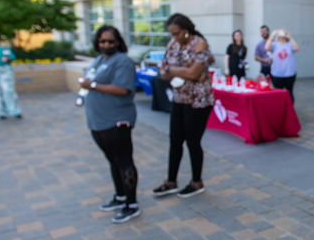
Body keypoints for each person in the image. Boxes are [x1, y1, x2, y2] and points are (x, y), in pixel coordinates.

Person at [81, 26, 141, 224]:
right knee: (113, 160)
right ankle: (120, 196)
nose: (106, 45)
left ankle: (131, 205)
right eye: (102, 41)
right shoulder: (100, 59)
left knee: (124, 161)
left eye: (110, 41)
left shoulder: (122, 62)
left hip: (116, 121)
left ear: (118, 42)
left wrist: (94, 86)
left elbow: (123, 89)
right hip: (99, 121)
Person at [152, 13, 215, 198]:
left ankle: (197, 182)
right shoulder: (173, 44)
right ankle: (171, 181)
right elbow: (163, 72)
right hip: (179, 98)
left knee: (192, 141)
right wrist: (176, 71)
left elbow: (193, 74)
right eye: (171, 34)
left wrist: (171, 70)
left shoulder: (199, 43)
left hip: (198, 100)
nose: (174, 37)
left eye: (177, 33)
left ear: (186, 31)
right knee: (175, 140)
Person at [265, 27, 299, 102]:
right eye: (280, 33)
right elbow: (267, 47)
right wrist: (272, 35)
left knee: (289, 92)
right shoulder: (274, 44)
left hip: (289, 74)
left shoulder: (290, 44)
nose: (282, 34)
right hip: (277, 74)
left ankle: (290, 110)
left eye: (283, 32)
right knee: (278, 93)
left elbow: (296, 48)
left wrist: (290, 37)